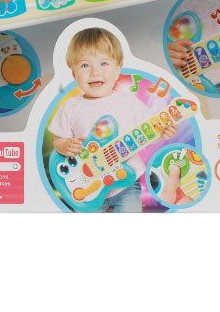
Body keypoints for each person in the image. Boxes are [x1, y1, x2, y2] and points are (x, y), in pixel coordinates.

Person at [48, 26, 177, 212]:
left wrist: (163, 131)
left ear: (117, 70)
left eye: (104, 63)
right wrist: (64, 145)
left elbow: (149, 133)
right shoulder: (70, 106)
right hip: (87, 187)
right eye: (85, 65)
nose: (95, 72)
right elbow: (58, 141)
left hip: (126, 184)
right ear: (74, 74)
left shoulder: (128, 101)